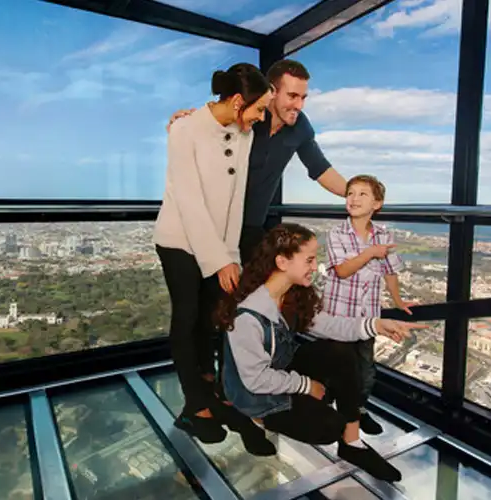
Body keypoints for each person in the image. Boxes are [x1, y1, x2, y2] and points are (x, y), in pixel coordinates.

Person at [214, 223, 428, 482]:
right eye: (310, 260)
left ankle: (352, 444)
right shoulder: (248, 316)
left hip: (278, 370)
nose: (315, 267)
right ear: (282, 262)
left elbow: (330, 326)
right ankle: (254, 418)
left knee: (341, 352)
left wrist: (377, 325)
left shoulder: (292, 295)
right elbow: (255, 380)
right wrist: (307, 385)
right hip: (254, 393)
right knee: (328, 428)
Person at [153, 63, 273, 448]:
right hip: (179, 239)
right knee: (187, 320)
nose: (260, 117)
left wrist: (230, 253)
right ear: (238, 102)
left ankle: (212, 394)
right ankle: (195, 407)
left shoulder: (244, 133)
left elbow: (234, 201)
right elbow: (188, 200)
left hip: (218, 244)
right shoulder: (184, 129)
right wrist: (216, 259)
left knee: (212, 320)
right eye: (258, 109)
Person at [167, 59, 348, 264]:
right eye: (292, 96)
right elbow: (212, 122)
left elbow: (320, 168)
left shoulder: (300, 127)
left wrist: (359, 194)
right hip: (216, 225)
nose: (299, 105)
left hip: (252, 227)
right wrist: (185, 120)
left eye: (303, 97)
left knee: (254, 290)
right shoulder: (246, 118)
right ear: (272, 91)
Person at [322, 175, 419, 435]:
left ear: (377, 204)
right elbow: (342, 271)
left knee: (365, 368)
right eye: (350, 193)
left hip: (368, 317)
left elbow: (390, 271)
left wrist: (398, 301)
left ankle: (358, 409)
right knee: (338, 365)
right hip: (339, 317)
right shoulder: (336, 234)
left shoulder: (384, 235)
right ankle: (335, 408)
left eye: (362, 194)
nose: (353, 199)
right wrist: (369, 253)